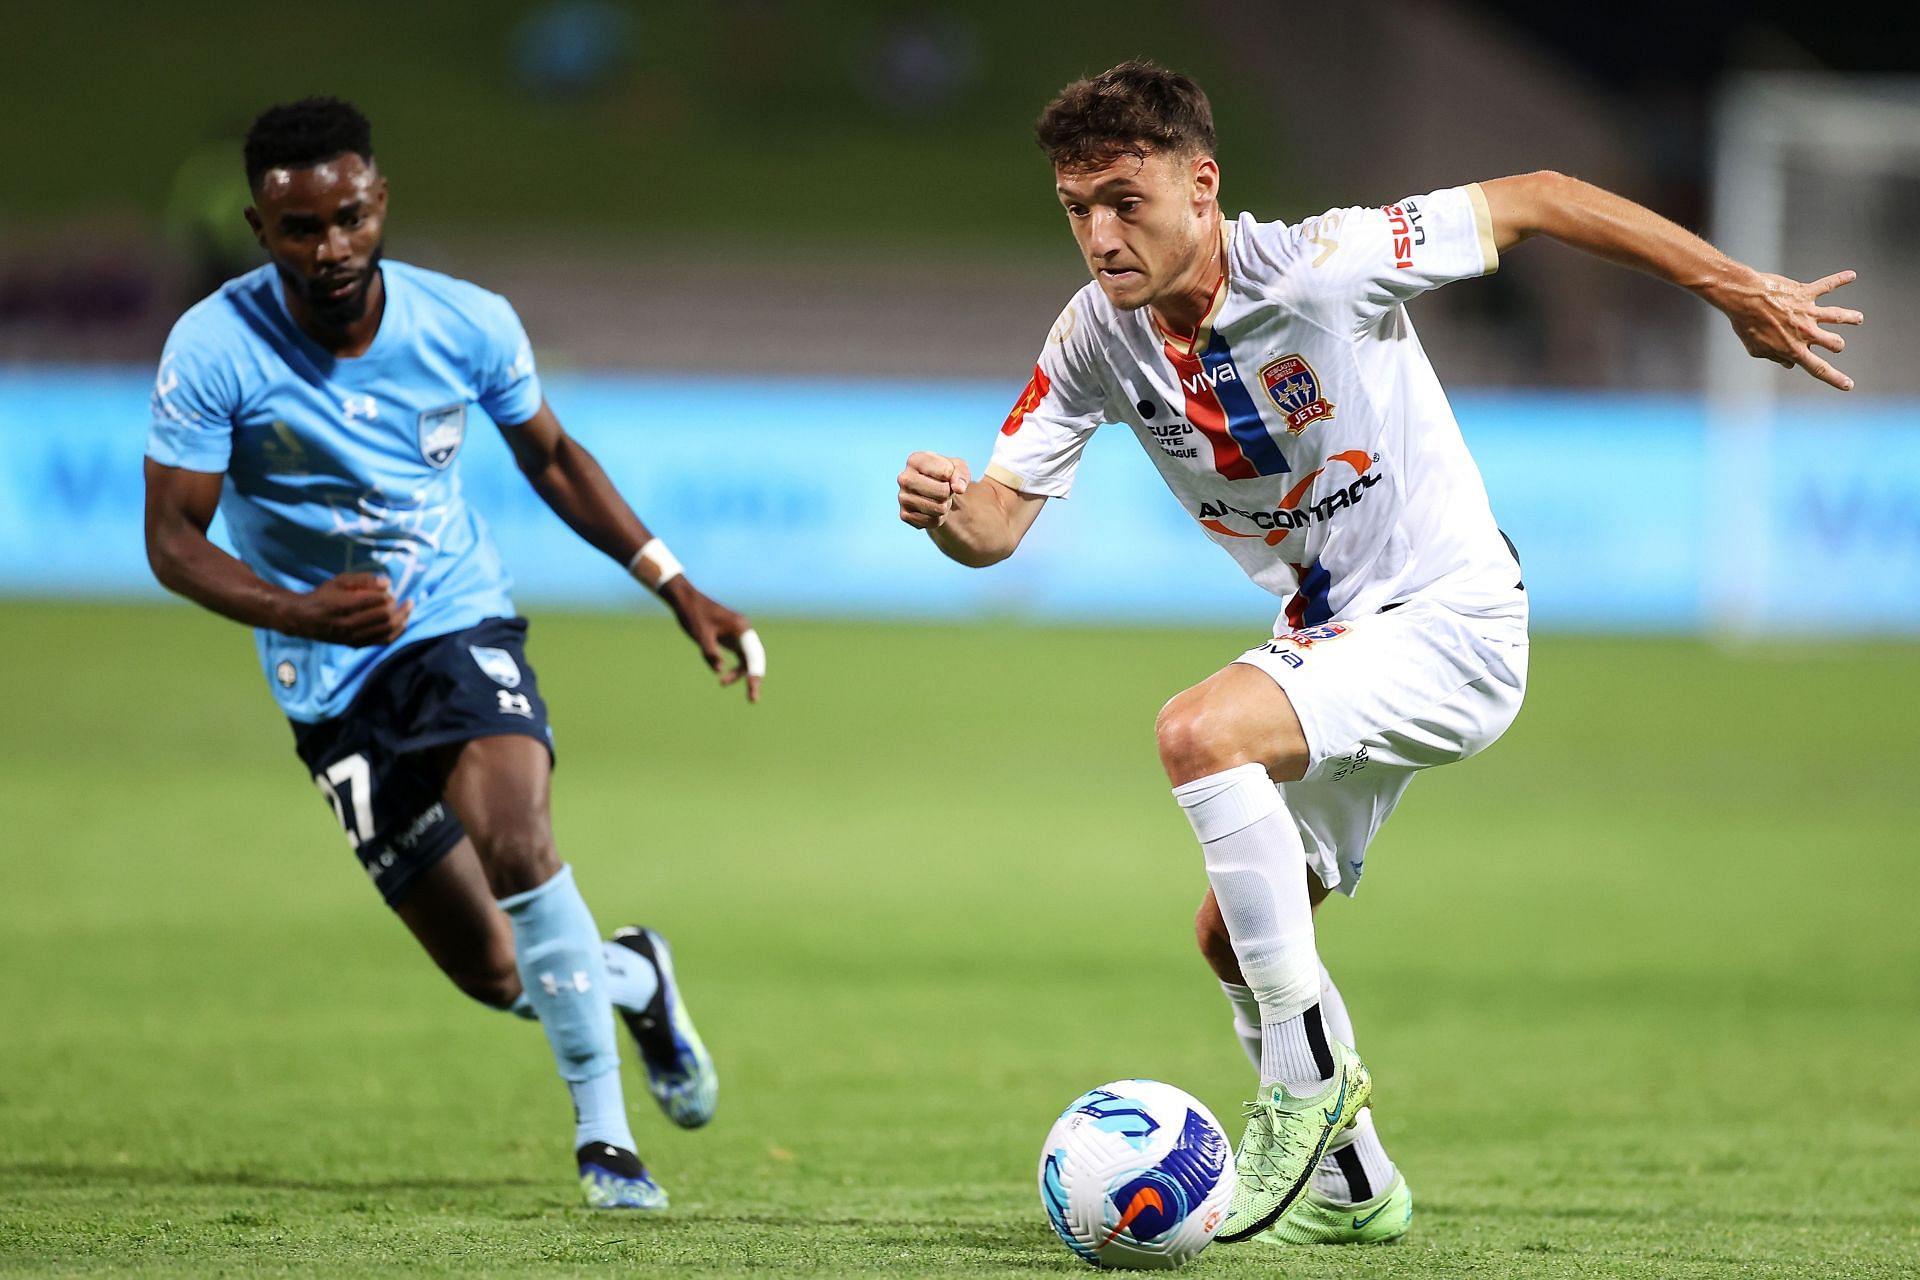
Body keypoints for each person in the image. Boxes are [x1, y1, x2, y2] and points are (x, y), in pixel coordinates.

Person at [896, 61, 1860, 1247]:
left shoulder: (1325, 261)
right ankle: (1358, 1189)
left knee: (1198, 731)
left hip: (1452, 618)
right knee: (1232, 934)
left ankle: (1303, 1090)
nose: (1100, 234)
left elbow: (1544, 194)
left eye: (1123, 200)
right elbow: (997, 524)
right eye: (1076, 209)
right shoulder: (1097, 336)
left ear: (1202, 186)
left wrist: (1736, 284)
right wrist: (949, 513)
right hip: (1336, 641)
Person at [144, 97, 765, 1211]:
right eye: (300, 229)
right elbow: (172, 540)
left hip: (453, 619)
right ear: (259, 227)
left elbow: (555, 457)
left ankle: (606, 1138)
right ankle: (634, 974)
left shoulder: (464, 322)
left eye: (348, 216)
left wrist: (675, 584)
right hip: (324, 674)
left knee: (520, 838)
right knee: (491, 969)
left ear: (380, 201)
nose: (330, 248)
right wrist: (300, 610)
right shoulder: (213, 348)